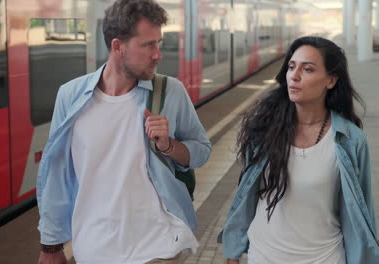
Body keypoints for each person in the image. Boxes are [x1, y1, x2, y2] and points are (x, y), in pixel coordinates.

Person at [36, 0, 212, 263]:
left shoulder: (170, 92)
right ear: (118, 46)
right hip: (93, 248)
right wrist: (51, 246)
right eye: (148, 45)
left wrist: (168, 145)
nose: (158, 54)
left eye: (159, 43)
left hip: (159, 246)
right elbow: (57, 175)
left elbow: (202, 151)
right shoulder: (71, 97)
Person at [221, 36, 379, 264]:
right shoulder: (263, 129)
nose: (294, 76)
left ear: (331, 80)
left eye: (308, 69)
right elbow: (246, 196)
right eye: (291, 67)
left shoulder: (350, 140)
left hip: (325, 258)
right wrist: (232, 252)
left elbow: (362, 214)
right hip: (263, 256)